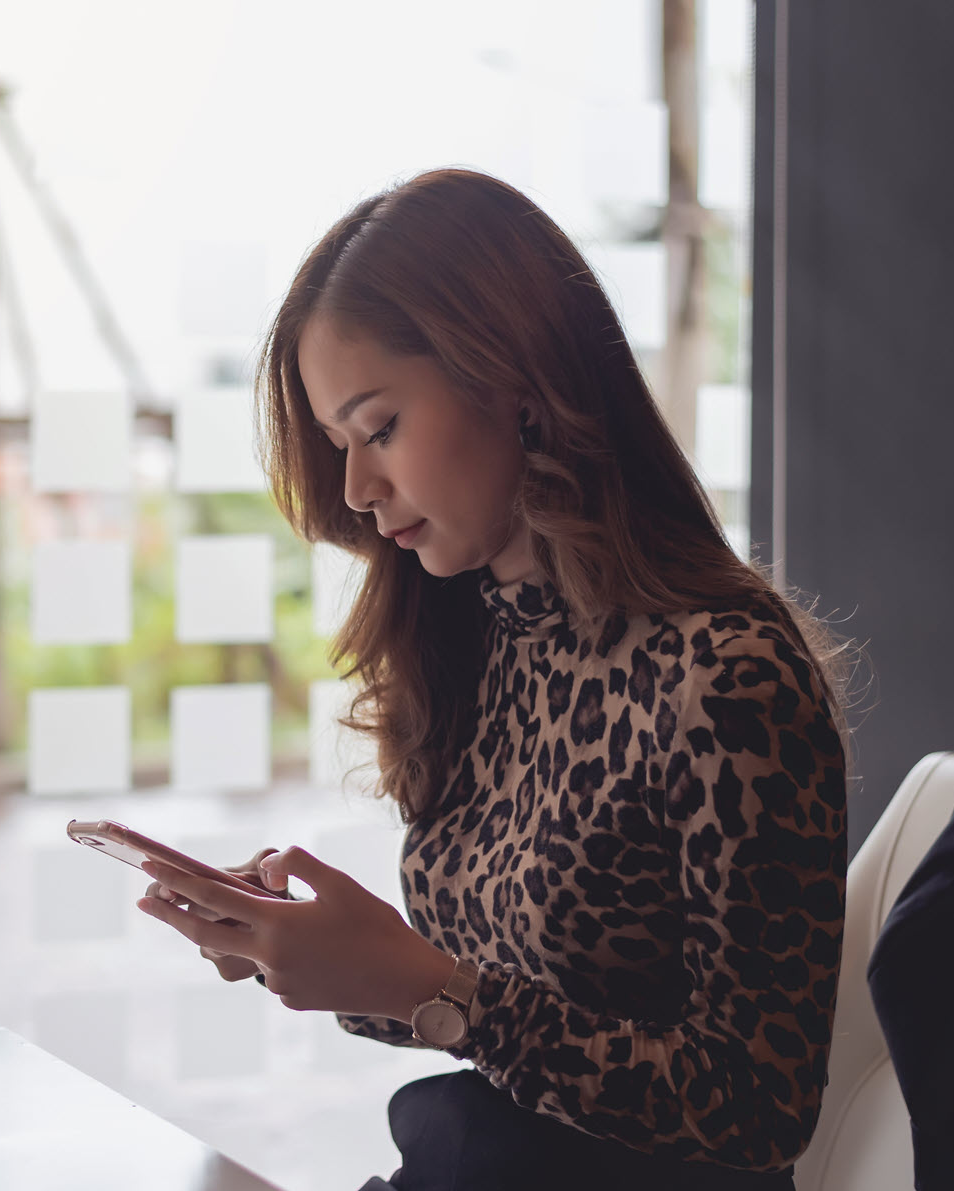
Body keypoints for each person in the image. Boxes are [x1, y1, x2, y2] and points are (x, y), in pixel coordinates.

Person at [138, 168, 853, 1190]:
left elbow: (753, 1111)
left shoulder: (723, 679)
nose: (353, 488)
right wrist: (317, 956)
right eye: (340, 445)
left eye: (377, 429)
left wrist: (432, 989)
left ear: (510, 377)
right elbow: (500, 1014)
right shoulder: (483, 641)